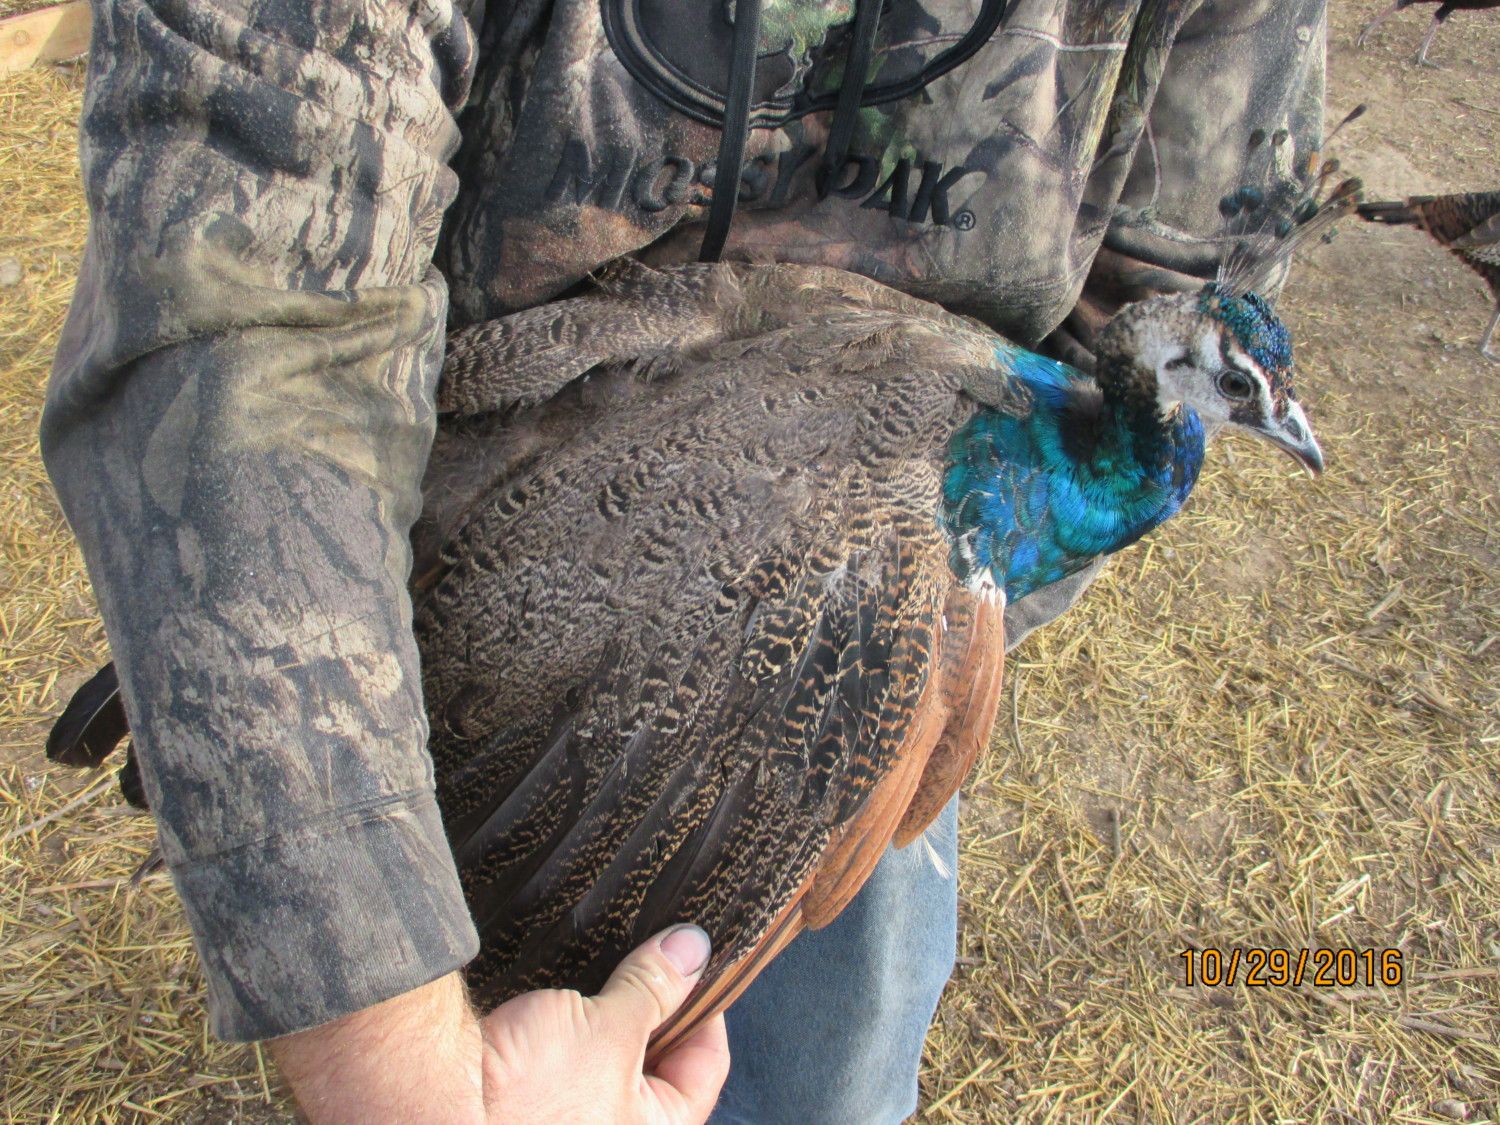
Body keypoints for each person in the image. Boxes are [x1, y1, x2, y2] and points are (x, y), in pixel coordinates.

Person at [41, 1, 1328, 1121]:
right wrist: (384, 1027)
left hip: (869, 608)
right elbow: (246, 289)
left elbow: (1172, 259)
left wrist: (915, 636)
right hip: (483, 505)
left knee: (820, 1061)